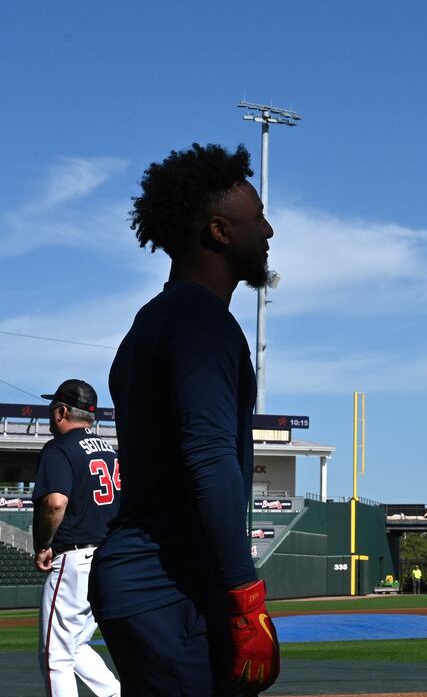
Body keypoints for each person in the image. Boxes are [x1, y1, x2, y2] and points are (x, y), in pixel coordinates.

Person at [90, 143, 280, 696]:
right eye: (258, 217)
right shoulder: (201, 325)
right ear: (220, 232)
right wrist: (246, 598)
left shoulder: (153, 319)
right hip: (165, 587)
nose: (268, 232)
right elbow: (210, 459)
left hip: (159, 583)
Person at [33, 379, 122, 697]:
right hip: (107, 558)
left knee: (55, 656)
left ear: (61, 412)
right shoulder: (108, 450)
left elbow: (56, 502)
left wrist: (43, 545)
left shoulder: (59, 448)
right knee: (75, 645)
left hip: (74, 559)